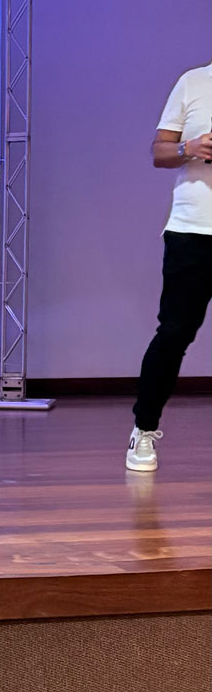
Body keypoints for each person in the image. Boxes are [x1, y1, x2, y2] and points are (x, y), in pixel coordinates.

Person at [128, 64, 212, 471]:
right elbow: (160, 152)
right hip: (192, 231)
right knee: (175, 332)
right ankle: (143, 430)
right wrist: (189, 148)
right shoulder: (193, 82)